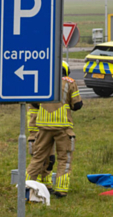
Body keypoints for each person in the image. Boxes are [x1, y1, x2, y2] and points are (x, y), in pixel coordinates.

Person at [27, 61, 81, 197]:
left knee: (38, 158)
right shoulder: (70, 82)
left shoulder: (43, 79)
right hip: (63, 128)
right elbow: (77, 105)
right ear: (66, 71)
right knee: (64, 159)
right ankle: (61, 190)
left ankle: (26, 185)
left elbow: (34, 102)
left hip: (43, 127)